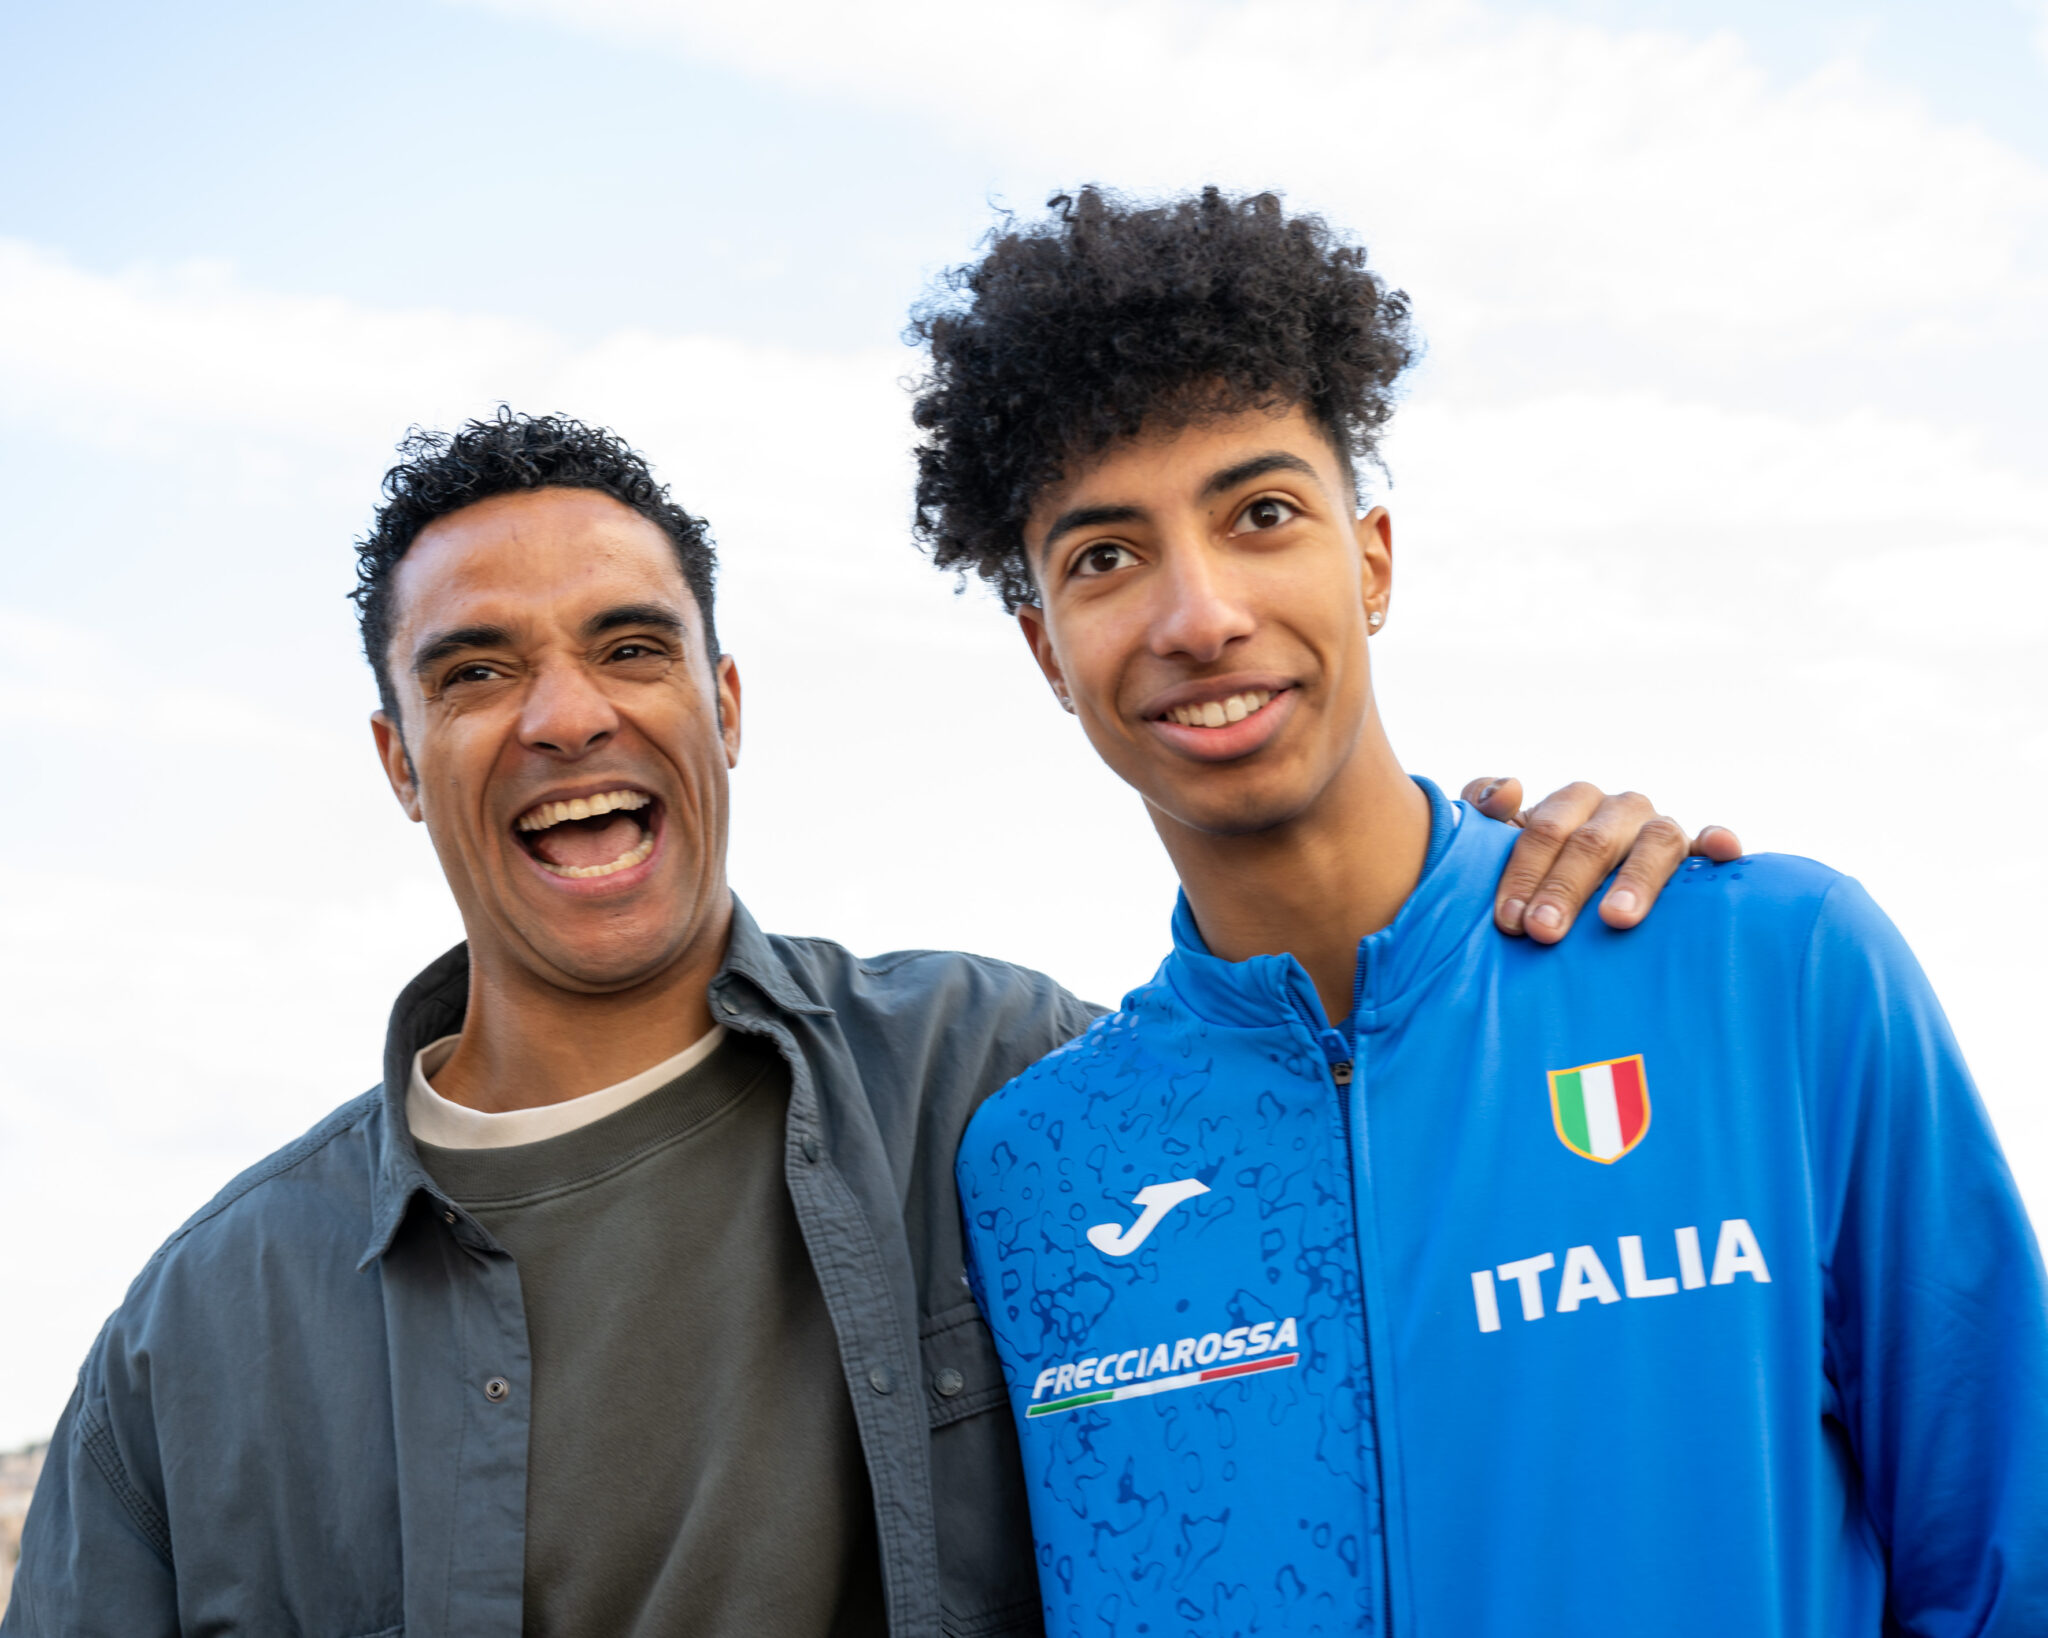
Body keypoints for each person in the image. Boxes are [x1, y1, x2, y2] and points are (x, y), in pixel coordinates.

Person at [4, 410, 1722, 1638]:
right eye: (474, 671)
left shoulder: (1001, 1079)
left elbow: (1375, 1139)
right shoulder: (196, 1342)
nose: (566, 715)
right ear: (398, 759)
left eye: (630, 647)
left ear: (725, 706)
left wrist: (1542, 904)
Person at [926, 188, 2048, 1637]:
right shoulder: (1033, 1166)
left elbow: (2006, 1571)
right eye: (1104, 556)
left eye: (1262, 514)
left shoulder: (1769, 973)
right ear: (1045, 650)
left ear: (1373, 559)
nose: (1199, 615)